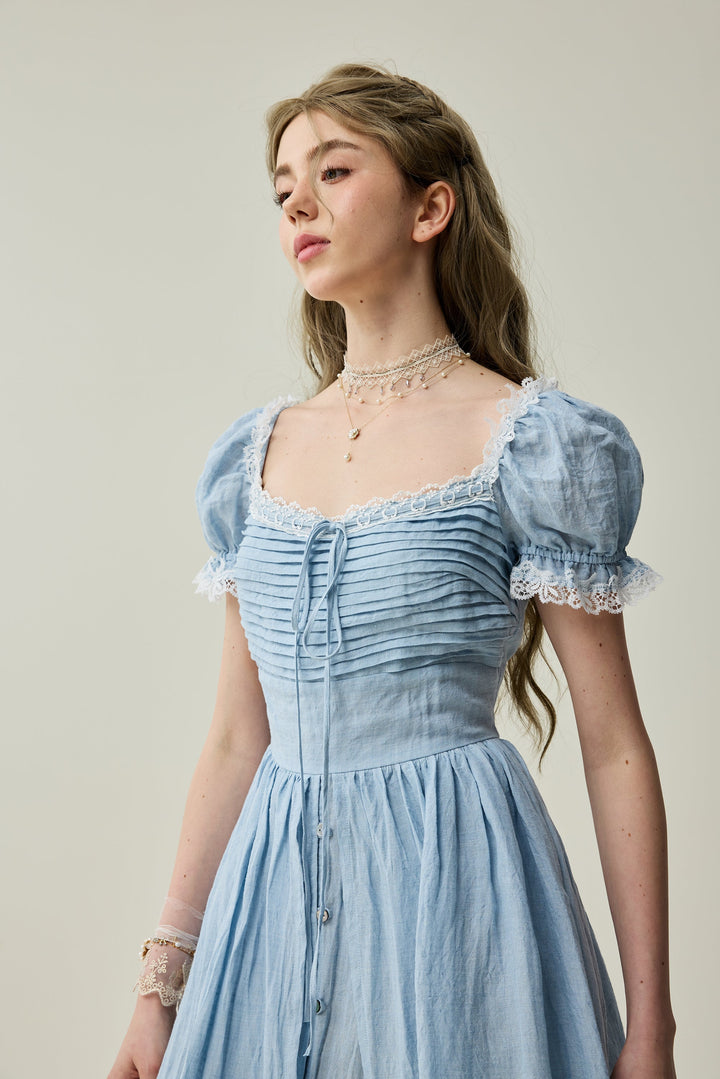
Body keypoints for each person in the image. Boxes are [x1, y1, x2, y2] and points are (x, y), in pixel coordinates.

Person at [107, 63, 676, 1079]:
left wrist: (650, 1027)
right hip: (266, 924)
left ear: (430, 208)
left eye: (333, 171)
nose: (298, 203)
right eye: (284, 187)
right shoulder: (253, 458)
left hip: (460, 910)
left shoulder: (533, 440)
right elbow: (237, 737)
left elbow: (614, 744)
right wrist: (160, 993)